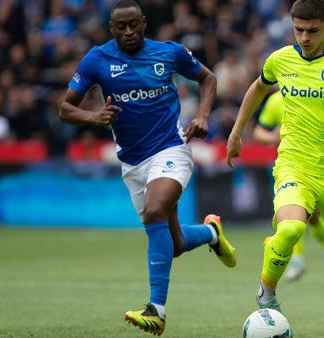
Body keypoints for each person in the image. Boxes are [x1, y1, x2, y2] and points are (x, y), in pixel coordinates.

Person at [59, 1, 236, 336]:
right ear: (111, 29)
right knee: (175, 243)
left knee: (156, 212)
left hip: (172, 149)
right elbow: (65, 108)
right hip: (132, 162)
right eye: (120, 27)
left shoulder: (168, 53)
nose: (128, 32)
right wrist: (93, 117)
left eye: (133, 25)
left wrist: (202, 115)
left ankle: (156, 311)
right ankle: (212, 232)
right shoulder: (97, 59)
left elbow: (208, 78)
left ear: (143, 23)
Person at [226, 1, 324, 336]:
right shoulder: (281, 59)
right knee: (292, 229)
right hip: (293, 165)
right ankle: (266, 293)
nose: (304, 37)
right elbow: (258, 86)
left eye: (312, 30)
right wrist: (236, 132)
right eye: (298, 29)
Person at [254, 91, 324, 283]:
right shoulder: (276, 100)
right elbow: (258, 132)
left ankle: (323, 251)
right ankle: (307, 256)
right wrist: (273, 137)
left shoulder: (314, 93)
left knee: (311, 216)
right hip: (288, 166)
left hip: (316, 164)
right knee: (295, 213)